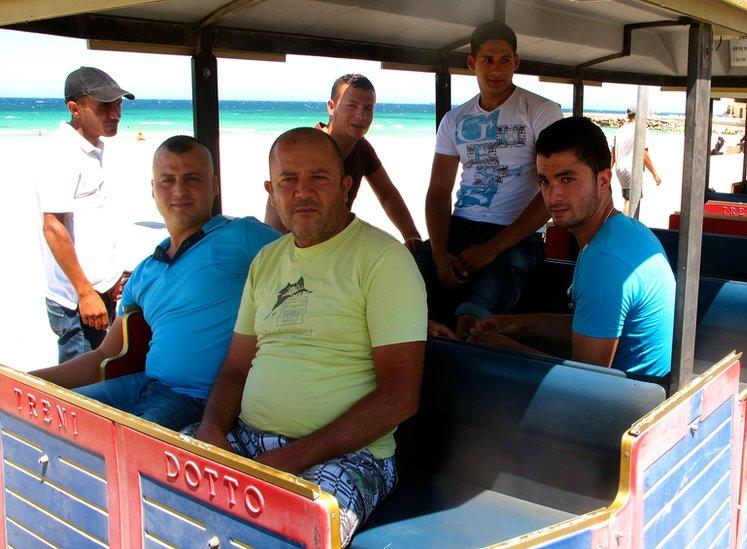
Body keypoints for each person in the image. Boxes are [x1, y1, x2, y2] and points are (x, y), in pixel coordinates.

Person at [191, 128, 426, 547]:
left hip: (352, 457)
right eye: (288, 180)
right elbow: (235, 367)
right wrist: (212, 428)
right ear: (271, 191)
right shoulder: (267, 261)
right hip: (246, 439)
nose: (302, 192)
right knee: (160, 488)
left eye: (318, 178)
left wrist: (289, 459)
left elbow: (400, 395)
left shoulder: (384, 260)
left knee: (287, 532)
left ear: (345, 186)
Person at [32, 136, 280, 430]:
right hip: (141, 383)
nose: (179, 190)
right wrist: (31, 380)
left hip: (199, 400)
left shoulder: (242, 235)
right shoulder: (145, 270)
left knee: (122, 441)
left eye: (192, 179)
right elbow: (104, 354)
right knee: (52, 418)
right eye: (167, 180)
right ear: (153, 189)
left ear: (214, 185)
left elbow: (307, 254)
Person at [469, 117, 676, 382]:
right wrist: (520, 324)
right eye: (544, 181)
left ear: (603, 180)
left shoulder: (604, 261)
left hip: (628, 408)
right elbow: (593, 326)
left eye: (567, 179)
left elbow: (585, 384)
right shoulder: (624, 231)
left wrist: (505, 350)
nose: (552, 197)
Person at [415, 21, 564, 338]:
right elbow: (439, 193)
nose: (496, 70)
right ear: (472, 63)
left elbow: (553, 190)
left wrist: (493, 248)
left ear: (516, 62)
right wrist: (440, 253)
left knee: (473, 316)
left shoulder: (540, 111)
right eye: (487, 60)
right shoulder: (454, 119)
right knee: (402, 280)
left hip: (517, 237)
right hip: (460, 228)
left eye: (505, 60)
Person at [39, 67, 135, 362]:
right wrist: (85, 292)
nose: (115, 113)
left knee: (99, 373)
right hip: (76, 304)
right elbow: (53, 227)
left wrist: (113, 275)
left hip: (98, 293)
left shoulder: (92, 149)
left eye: (118, 104)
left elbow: (93, 221)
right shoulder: (61, 152)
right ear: (75, 108)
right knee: (80, 393)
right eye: (104, 106)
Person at [264, 74, 422, 250]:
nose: (361, 115)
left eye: (368, 108)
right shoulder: (308, 147)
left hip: (334, 246)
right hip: (299, 249)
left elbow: (387, 193)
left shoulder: (362, 148)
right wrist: (277, 256)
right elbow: (277, 202)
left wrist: (411, 234)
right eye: (352, 106)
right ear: (332, 107)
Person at [611, 106, 663, 218]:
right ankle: (626, 229)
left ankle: (626, 226)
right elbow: (643, 153)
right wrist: (655, 173)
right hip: (632, 169)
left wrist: (608, 170)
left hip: (620, 169)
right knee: (632, 201)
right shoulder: (641, 130)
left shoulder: (619, 130)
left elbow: (613, 154)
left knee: (627, 198)